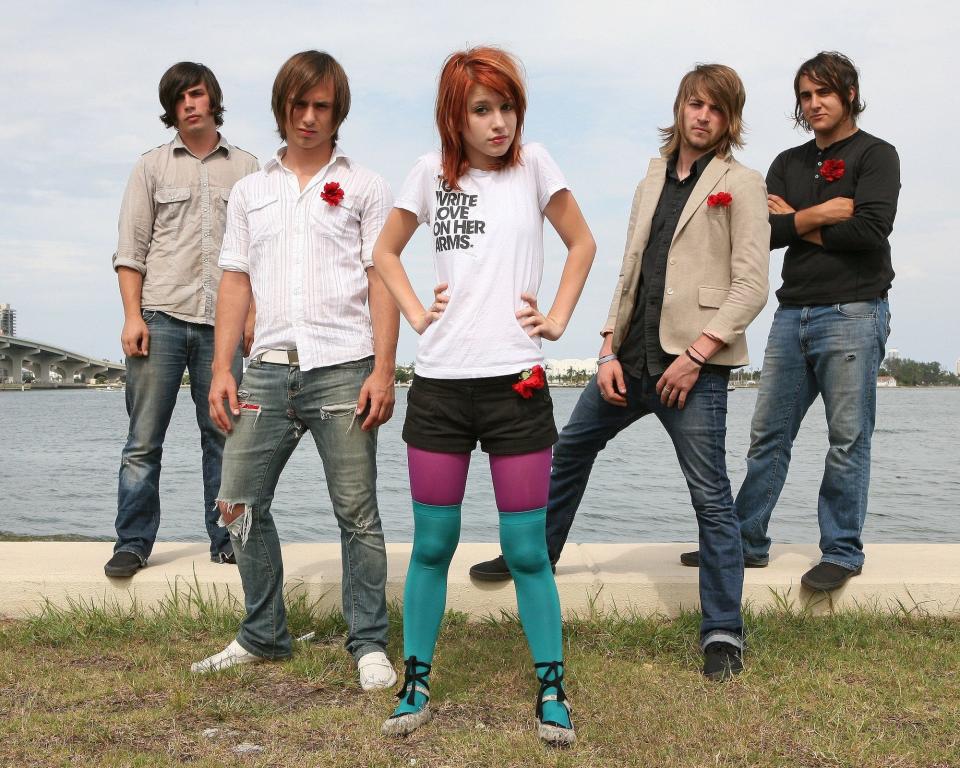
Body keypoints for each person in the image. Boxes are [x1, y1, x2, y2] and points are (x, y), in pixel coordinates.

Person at [470, 63, 770, 680]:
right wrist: (607, 348)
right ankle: (534, 556)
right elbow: (628, 272)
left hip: (694, 367)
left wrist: (697, 355)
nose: (702, 115)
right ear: (680, 105)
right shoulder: (651, 178)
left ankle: (722, 632)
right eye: (694, 103)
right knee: (570, 449)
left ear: (728, 119)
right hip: (628, 361)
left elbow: (752, 286)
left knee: (710, 498)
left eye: (715, 108)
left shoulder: (740, 184)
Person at [373, 47, 595, 746]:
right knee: (432, 544)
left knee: (527, 549)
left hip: (517, 386)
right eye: (482, 109)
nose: (499, 122)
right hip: (439, 385)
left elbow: (582, 242)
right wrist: (414, 310)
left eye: (507, 107)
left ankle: (551, 688)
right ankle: (416, 683)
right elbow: (384, 252)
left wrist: (556, 319)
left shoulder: (535, 165)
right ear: (455, 115)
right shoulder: (427, 174)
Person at [190, 51, 400, 693]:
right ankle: (263, 634)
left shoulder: (363, 185)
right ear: (282, 106)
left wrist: (385, 370)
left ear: (338, 113)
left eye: (322, 107)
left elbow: (382, 278)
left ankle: (367, 641)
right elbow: (233, 281)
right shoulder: (252, 190)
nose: (309, 118)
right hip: (267, 370)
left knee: (356, 512)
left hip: (344, 367)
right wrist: (224, 368)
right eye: (299, 105)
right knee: (237, 503)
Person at [679, 52, 899, 592]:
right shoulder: (786, 161)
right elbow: (763, 235)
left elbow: (871, 231)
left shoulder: (877, 155)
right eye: (805, 95)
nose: (814, 103)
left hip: (854, 309)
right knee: (767, 435)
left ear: (849, 93)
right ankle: (745, 543)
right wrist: (823, 214)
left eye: (824, 92)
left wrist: (793, 219)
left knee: (847, 438)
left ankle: (842, 551)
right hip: (791, 311)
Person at [106, 62, 258, 578]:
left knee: (224, 436)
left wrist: (253, 316)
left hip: (225, 324)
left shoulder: (248, 168)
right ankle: (132, 543)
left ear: (213, 98)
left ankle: (228, 540)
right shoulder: (150, 167)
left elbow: (259, 253)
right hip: (162, 316)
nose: (189, 104)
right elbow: (131, 250)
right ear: (170, 110)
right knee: (143, 441)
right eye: (179, 99)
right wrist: (133, 316)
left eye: (196, 94)